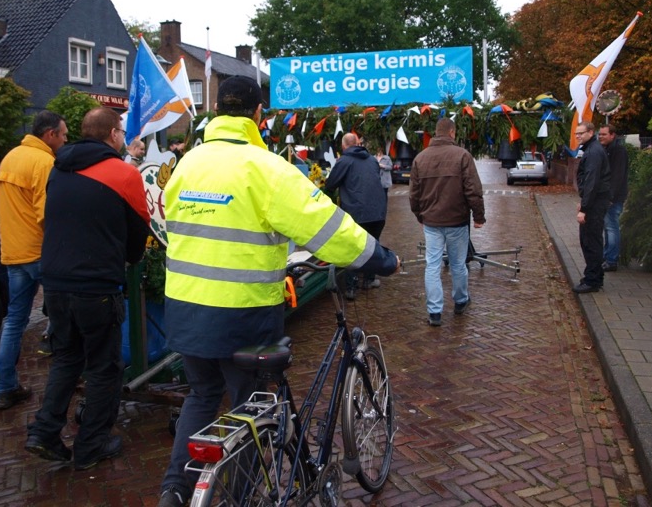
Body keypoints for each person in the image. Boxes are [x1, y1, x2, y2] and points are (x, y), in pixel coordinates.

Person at [156, 76, 399, 507]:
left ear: (216, 110)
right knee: (252, 408)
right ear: (257, 114)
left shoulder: (188, 163)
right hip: (241, 315)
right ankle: (243, 495)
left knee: (202, 395)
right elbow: (326, 225)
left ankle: (174, 490)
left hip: (184, 309)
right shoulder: (264, 167)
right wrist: (380, 258)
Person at [26, 107, 150, 470]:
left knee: (66, 358)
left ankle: (44, 431)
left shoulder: (58, 167)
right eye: (121, 131)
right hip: (96, 285)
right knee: (103, 367)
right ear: (113, 134)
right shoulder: (123, 173)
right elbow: (137, 237)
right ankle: (91, 443)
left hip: (55, 283)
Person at [0, 110, 68, 410]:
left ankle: (6, 387)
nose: (65, 140)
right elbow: (46, 214)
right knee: (65, 320)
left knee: (14, 322)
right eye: (63, 135)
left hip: (13, 252)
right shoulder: (45, 162)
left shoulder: (10, 156)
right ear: (49, 134)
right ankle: (63, 389)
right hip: (40, 252)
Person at [409, 118, 485, 326]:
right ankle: (460, 301)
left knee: (432, 265)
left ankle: (435, 312)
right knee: (458, 264)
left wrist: (419, 216)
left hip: (432, 222)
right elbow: (473, 189)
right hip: (457, 221)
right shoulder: (462, 155)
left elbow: (413, 194)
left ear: (436, 133)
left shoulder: (421, 158)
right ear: (452, 132)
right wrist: (478, 216)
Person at [324, 133, 387, 299]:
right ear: (358, 143)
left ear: (344, 146)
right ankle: (369, 280)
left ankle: (351, 288)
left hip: (356, 212)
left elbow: (330, 184)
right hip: (378, 211)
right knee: (372, 244)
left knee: (352, 246)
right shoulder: (372, 159)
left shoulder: (344, 161)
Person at [573, 121, 611, 293]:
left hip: (595, 205)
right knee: (590, 240)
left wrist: (584, 208)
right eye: (576, 134)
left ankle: (593, 280)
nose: (578, 136)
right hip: (594, 202)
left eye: (581, 133)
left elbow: (591, 181)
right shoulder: (591, 149)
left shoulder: (593, 152)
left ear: (590, 132)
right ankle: (593, 276)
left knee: (590, 242)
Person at [598, 125, 629, 272]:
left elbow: (617, 176)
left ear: (612, 135)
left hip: (614, 197)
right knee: (607, 227)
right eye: (600, 134)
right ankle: (607, 256)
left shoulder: (618, 151)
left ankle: (611, 260)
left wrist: (610, 197)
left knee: (611, 227)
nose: (601, 137)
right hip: (608, 196)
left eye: (604, 134)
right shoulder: (608, 149)